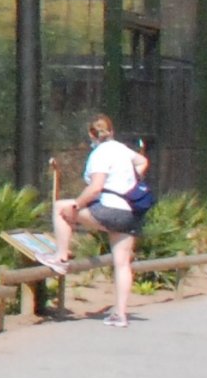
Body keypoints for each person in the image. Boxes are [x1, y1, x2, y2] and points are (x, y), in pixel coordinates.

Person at [40, 113, 147, 329]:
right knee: (122, 263)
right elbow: (143, 161)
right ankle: (120, 314)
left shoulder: (99, 153)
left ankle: (60, 257)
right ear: (112, 131)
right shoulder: (121, 149)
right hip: (130, 212)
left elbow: (96, 187)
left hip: (108, 209)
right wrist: (133, 180)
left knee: (61, 207)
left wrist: (77, 206)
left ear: (91, 134)